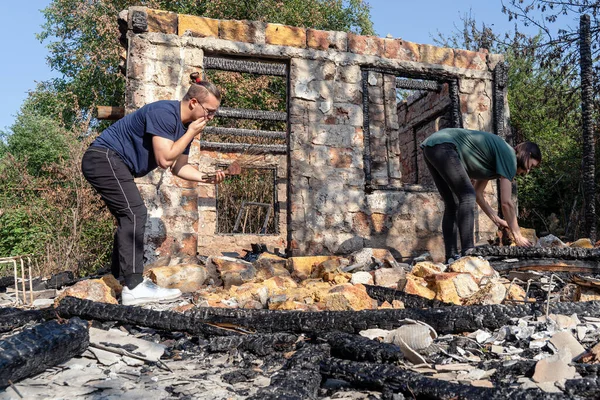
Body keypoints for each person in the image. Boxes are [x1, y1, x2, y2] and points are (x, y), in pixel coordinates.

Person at [82, 73, 240, 306]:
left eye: (214, 112)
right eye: (209, 110)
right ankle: (133, 287)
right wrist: (191, 134)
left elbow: (180, 167)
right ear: (194, 102)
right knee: (134, 213)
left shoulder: (184, 126)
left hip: (115, 163)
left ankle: (118, 279)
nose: (211, 117)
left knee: (128, 215)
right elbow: (165, 159)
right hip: (103, 158)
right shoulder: (165, 113)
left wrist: (209, 178)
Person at [420, 127, 541, 263]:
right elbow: (506, 203)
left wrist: (497, 220)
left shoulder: (496, 161)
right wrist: (517, 235)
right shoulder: (510, 157)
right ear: (527, 154)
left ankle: (451, 257)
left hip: (431, 147)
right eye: (531, 166)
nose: (528, 171)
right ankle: (469, 252)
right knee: (466, 196)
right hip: (445, 146)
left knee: (453, 204)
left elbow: (478, 194)